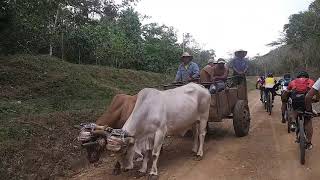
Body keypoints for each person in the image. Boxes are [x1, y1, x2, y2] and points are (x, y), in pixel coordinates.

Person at [281, 71, 315, 149]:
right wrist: (316, 99)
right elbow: (315, 92)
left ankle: (293, 122)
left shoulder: (293, 81)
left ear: (298, 76)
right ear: (307, 76)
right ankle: (309, 143)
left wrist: (284, 100)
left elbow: (286, 92)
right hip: (306, 101)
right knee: (308, 121)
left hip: (296, 100)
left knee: (293, 108)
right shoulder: (311, 81)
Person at [304, 76, 320, 150]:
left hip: (297, 101)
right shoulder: (311, 81)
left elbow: (308, 97)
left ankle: (292, 124)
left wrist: (308, 112)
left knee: (308, 119)